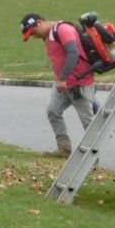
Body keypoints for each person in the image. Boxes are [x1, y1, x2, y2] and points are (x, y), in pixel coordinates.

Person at [21, 12, 95, 156]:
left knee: (87, 121)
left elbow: (73, 52)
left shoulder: (62, 29)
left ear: (40, 22)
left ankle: (92, 158)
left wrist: (63, 76)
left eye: (34, 32)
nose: (34, 36)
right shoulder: (48, 35)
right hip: (63, 84)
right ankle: (64, 148)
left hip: (79, 83)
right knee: (53, 111)